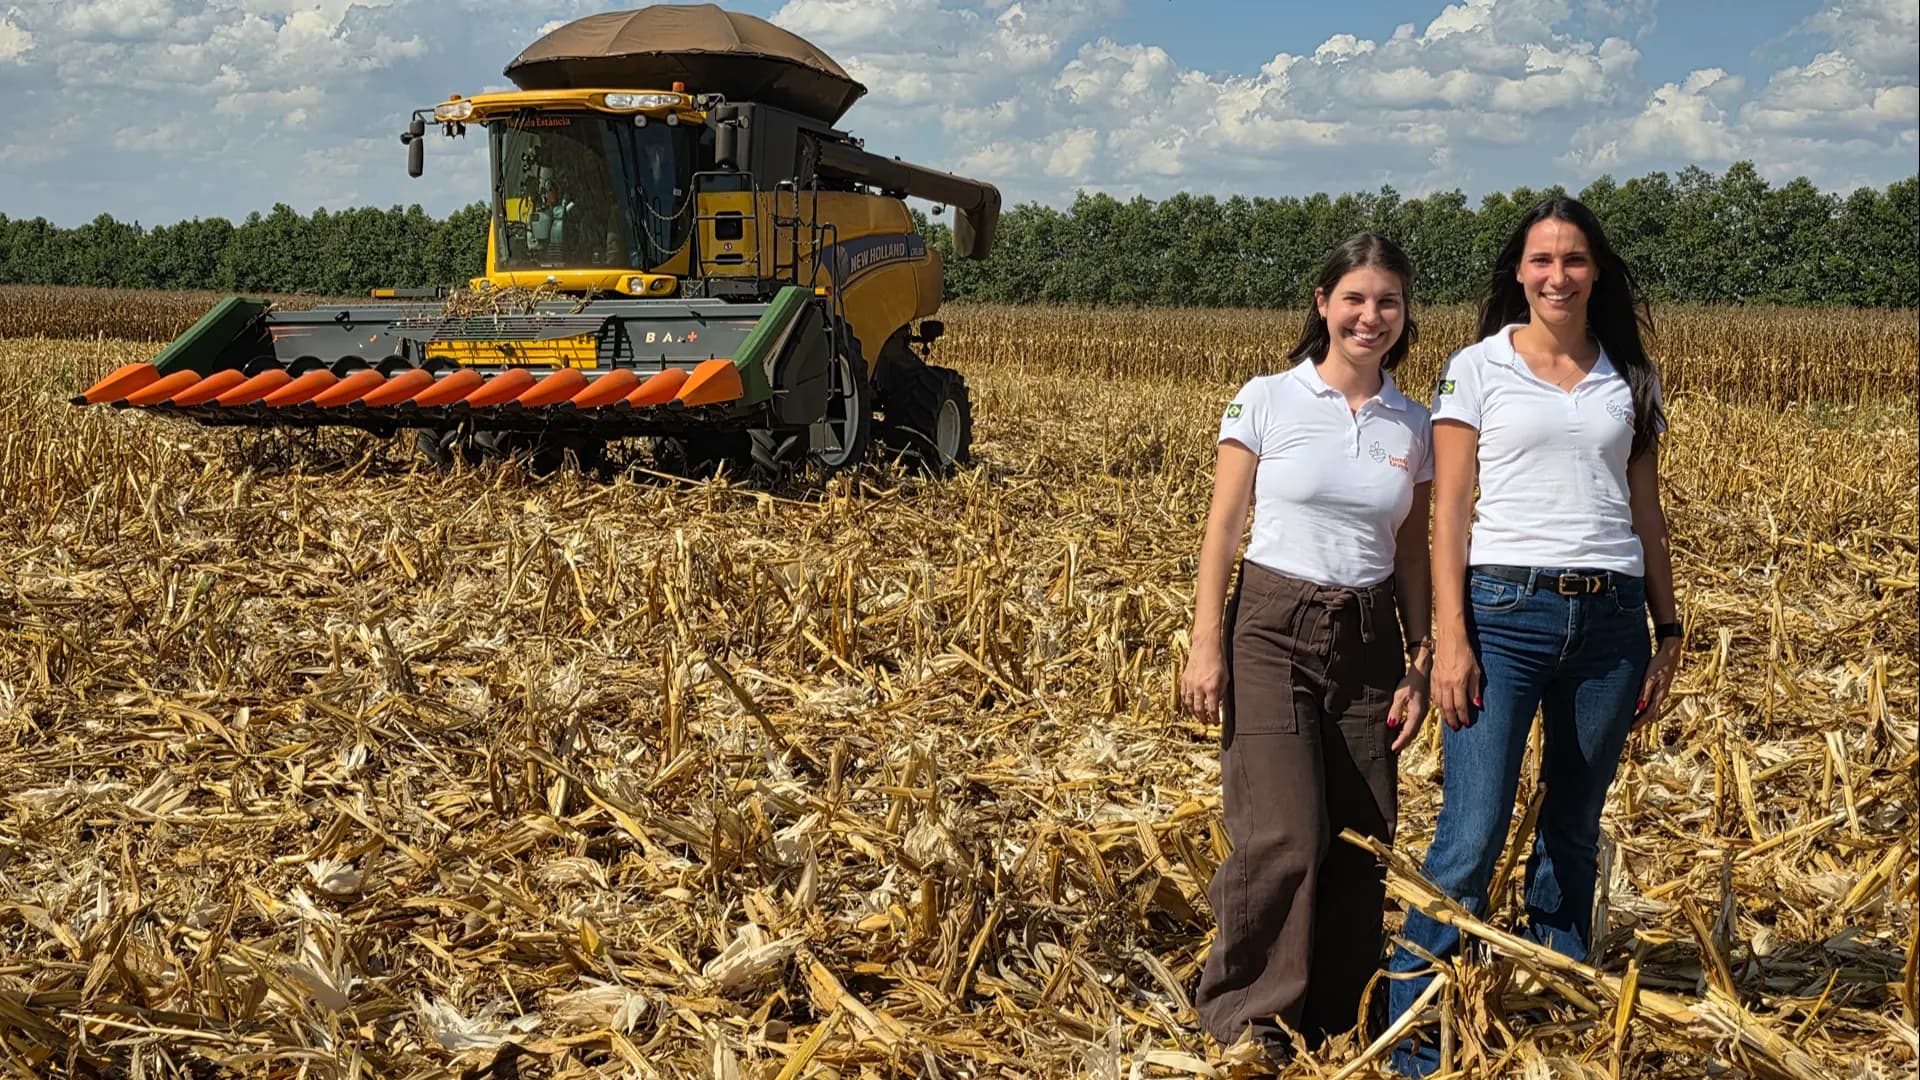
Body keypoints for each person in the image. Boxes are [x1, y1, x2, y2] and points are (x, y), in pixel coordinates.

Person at [1384, 196, 1681, 1076]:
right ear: (1519, 271)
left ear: (1597, 272)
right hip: (1503, 617)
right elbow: (1449, 514)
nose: (1558, 275)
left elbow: (1647, 513)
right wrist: (1451, 638)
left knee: (1574, 829)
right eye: (1542, 260)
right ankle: (1413, 1037)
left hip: (1612, 623)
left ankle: (1557, 1006)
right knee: (1471, 834)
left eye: (1575, 260)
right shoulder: (1474, 368)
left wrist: (1667, 631)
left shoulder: (1630, 373)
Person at [1183, 233, 1435, 1063]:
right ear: (1323, 302)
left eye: (1388, 302)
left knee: (1360, 835)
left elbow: (1410, 552)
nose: (1371, 316)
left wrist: (1420, 657)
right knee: (1283, 832)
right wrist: (1205, 644)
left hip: (1368, 636)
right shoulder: (1266, 398)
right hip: (1270, 626)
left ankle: (1334, 1016)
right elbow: (1222, 531)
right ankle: (1246, 1016)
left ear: (1404, 315)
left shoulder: (1414, 422)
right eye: (1355, 298)